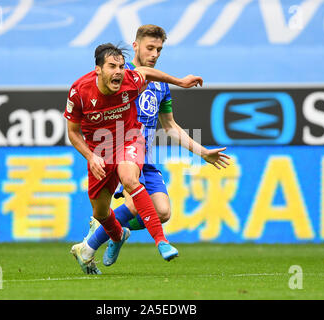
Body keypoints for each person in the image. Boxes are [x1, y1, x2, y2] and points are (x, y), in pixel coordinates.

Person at [81, 25, 231, 269]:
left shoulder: (161, 86)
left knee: (162, 211)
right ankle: (89, 246)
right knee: (133, 202)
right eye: (149, 48)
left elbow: (170, 126)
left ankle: (110, 229)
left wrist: (203, 152)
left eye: (159, 49)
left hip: (144, 156)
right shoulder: (119, 74)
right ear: (135, 46)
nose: (154, 54)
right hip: (120, 151)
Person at [65, 42, 203, 274]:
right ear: (98, 69)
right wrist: (90, 156)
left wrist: (179, 82)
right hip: (100, 150)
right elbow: (73, 132)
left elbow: (145, 73)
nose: (119, 71)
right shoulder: (79, 91)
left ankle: (162, 241)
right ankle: (116, 237)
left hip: (129, 138)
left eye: (121, 66)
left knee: (130, 179)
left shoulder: (130, 79)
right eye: (112, 66)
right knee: (100, 213)